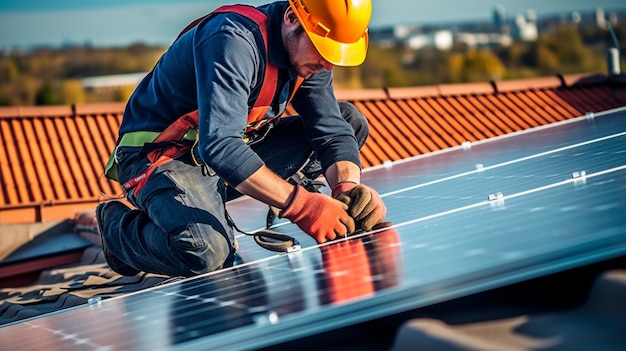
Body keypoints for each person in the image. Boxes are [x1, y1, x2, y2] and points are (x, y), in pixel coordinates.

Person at [97, 0, 387, 278]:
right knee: (205, 253)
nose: (327, 63)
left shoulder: (308, 55)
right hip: (163, 158)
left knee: (350, 120)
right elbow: (221, 147)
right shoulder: (232, 41)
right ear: (291, 18)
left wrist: (349, 189)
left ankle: (286, 187)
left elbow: (332, 130)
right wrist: (302, 206)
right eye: (324, 49)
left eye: (336, 54)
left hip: (220, 154)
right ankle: (117, 232)